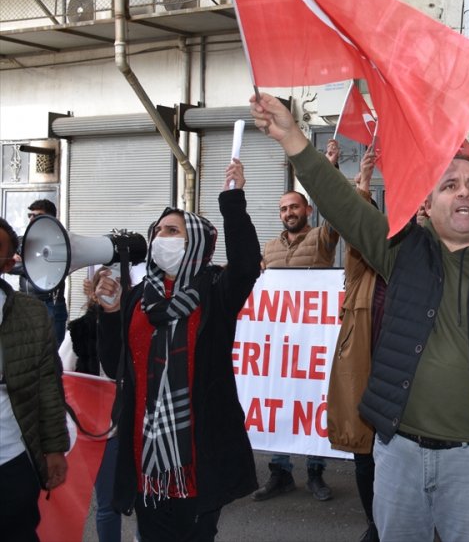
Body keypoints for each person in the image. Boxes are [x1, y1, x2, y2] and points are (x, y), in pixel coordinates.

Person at [251, 92, 469, 542]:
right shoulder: (401, 250)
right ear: (427, 205)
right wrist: (293, 138)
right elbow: (345, 208)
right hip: (399, 454)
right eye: (449, 184)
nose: (463, 191)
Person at [97, 159, 262, 541]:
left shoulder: (216, 291)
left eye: (173, 230)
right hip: (144, 459)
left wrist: (233, 201)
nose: (160, 236)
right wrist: (109, 316)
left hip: (199, 456)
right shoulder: (138, 298)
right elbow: (114, 364)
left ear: (196, 244)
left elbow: (247, 264)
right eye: (158, 230)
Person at [255, 142, 341, 502]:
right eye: (283, 209)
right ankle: (280, 472)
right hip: (279, 344)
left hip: (313, 341)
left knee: (312, 400)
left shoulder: (321, 239)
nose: (289, 212)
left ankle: (316, 474)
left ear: (307, 209)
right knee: (281, 400)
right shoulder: (270, 249)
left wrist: (329, 170)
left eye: (294, 206)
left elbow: (339, 215)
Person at [326, 145, 385, 542]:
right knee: (365, 457)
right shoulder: (361, 268)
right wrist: (361, 184)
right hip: (366, 375)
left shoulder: (412, 264)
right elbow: (354, 227)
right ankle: (374, 523)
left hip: (404, 380)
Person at [0, 217, 69, 541]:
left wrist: (54, 448)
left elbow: (47, 385)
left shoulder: (31, 314)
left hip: (12, 462)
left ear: (8, 261)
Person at [69, 266, 125, 542]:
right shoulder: (79, 330)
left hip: (129, 425)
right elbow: (65, 376)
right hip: (104, 431)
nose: (109, 289)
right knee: (109, 504)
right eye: (104, 283)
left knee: (136, 500)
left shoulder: (138, 322)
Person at [13, 199, 70, 347]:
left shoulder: (59, 241)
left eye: (37, 216)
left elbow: (52, 267)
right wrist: (28, 264)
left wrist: (24, 262)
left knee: (48, 353)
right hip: (25, 302)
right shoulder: (21, 240)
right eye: (30, 215)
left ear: (49, 218)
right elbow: (8, 264)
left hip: (50, 303)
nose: (32, 219)